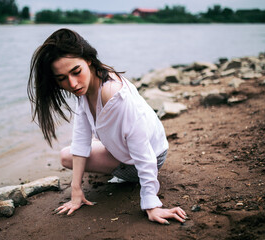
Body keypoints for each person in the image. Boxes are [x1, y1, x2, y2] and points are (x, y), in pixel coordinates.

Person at [27, 28, 187, 225]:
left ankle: (129, 178)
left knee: (68, 156)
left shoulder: (114, 95)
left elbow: (143, 151)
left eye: (76, 72)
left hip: (149, 157)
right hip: (133, 150)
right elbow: (81, 136)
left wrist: (151, 204)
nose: (73, 83)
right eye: (62, 79)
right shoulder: (88, 86)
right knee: (67, 155)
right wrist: (75, 190)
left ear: (88, 60)